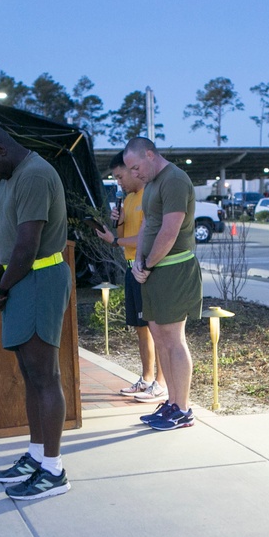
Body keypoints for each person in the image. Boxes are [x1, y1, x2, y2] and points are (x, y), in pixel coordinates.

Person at [0, 125, 73, 499]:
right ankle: (35, 455)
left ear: (0, 148)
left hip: (40, 278)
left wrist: (2, 287)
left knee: (46, 376)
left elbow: (27, 249)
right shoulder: (9, 176)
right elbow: (7, 240)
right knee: (30, 375)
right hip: (21, 280)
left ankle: (54, 470)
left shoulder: (36, 175)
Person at [121, 137, 203, 431]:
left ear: (150, 154)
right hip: (152, 271)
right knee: (159, 337)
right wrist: (139, 263)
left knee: (173, 338)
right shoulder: (152, 184)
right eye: (130, 170)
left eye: (136, 167)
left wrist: (149, 263)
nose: (134, 174)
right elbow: (147, 226)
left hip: (174, 269)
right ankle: (171, 402)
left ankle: (183, 409)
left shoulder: (175, 180)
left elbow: (170, 230)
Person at [94, 152, 167, 404]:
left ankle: (162, 383)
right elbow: (125, 236)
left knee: (157, 328)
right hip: (130, 266)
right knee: (140, 327)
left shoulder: (149, 195)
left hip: (146, 268)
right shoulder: (128, 200)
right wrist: (118, 223)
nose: (120, 182)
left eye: (121, 176)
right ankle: (147, 378)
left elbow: (147, 238)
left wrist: (114, 240)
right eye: (115, 178)